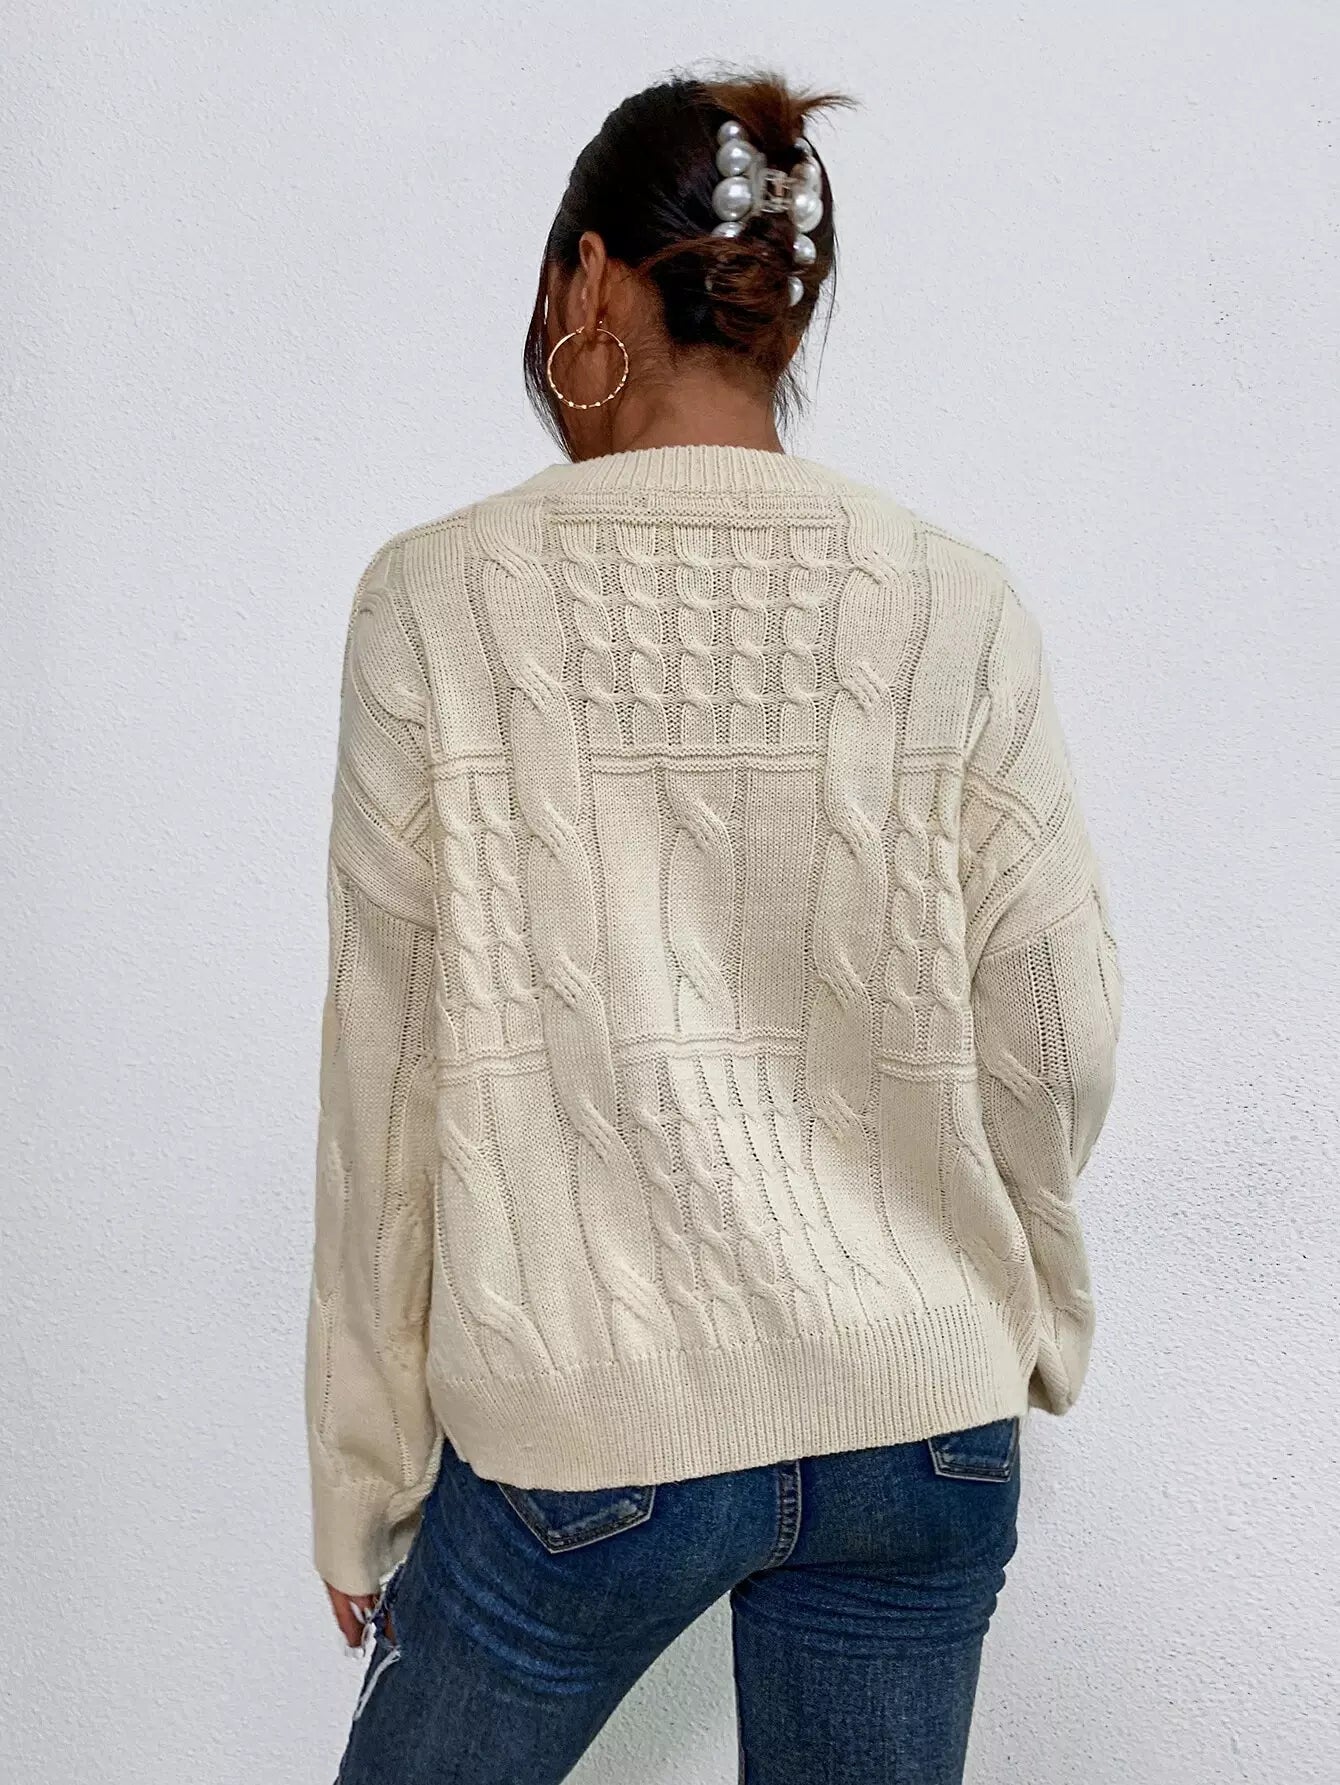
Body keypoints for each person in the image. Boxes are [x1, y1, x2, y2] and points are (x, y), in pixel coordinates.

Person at [306, 67, 1122, 1785]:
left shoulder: (435, 602)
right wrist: (1027, 1302)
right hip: (921, 1415)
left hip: (585, 1425)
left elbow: (390, 1075)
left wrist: (367, 1474)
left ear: (592, 279)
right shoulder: (955, 602)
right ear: (777, 307)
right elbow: (1057, 1027)